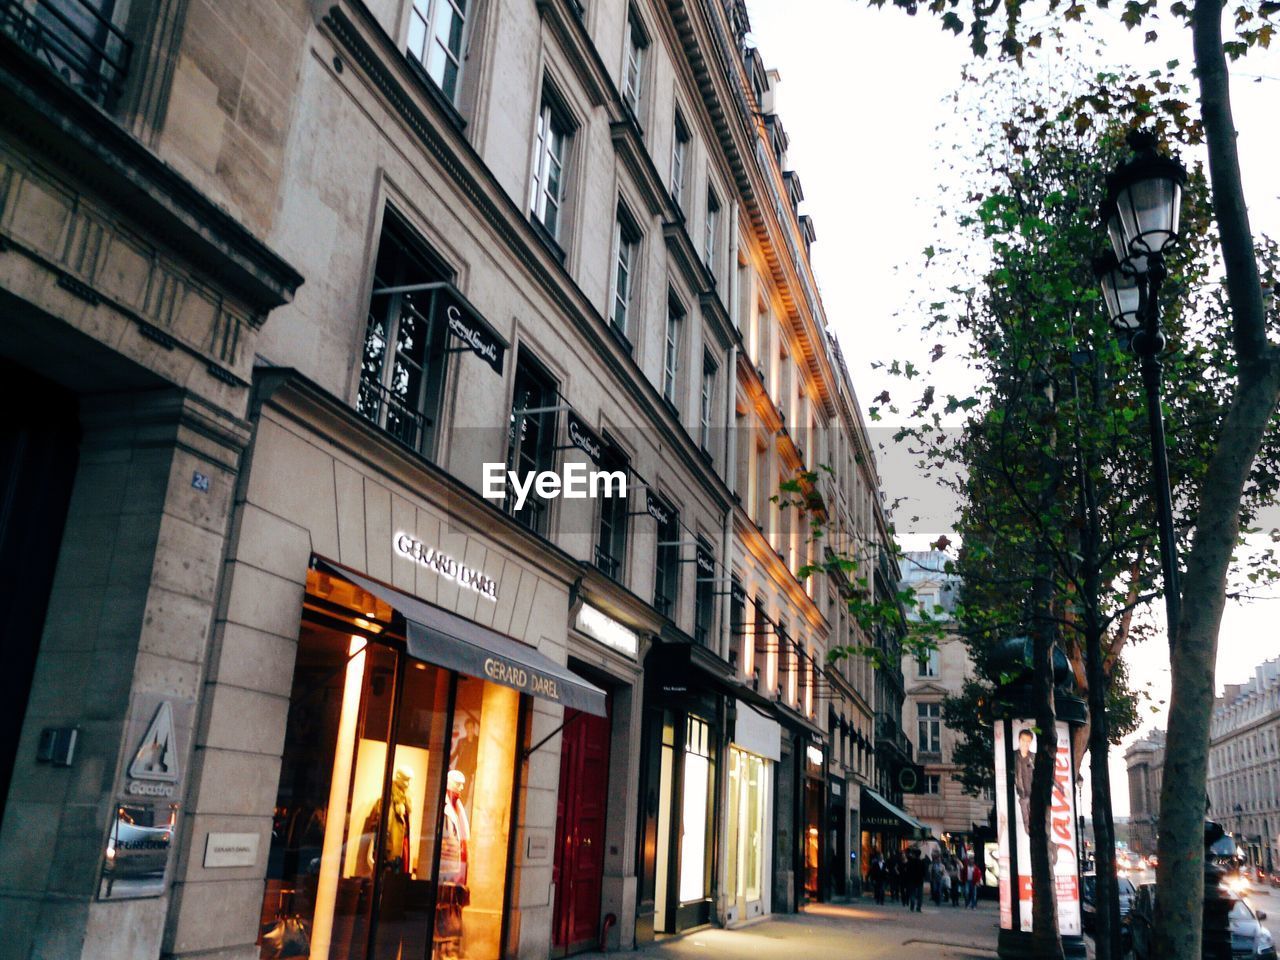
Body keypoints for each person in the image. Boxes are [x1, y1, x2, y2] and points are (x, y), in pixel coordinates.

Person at [1014, 728, 1035, 836]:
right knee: (1027, 828)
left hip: (1034, 795)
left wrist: (1061, 788)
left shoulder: (1034, 757)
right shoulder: (1013, 756)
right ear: (1019, 740)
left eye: (1028, 741)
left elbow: (1045, 773)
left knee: (1036, 824)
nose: (1025, 743)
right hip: (1022, 796)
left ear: (1030, 742)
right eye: (1023, 740)